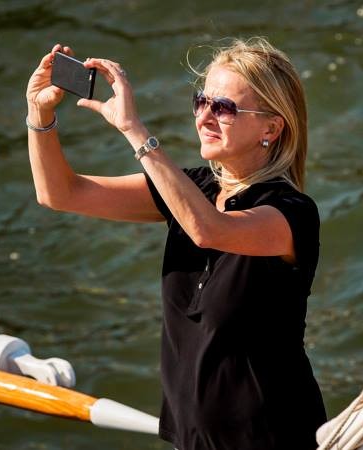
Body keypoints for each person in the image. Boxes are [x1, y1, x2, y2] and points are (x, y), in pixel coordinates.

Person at [25, 38, 326, 449]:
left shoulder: (291, 212)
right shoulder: (191, 189)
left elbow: (209, 229)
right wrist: (39, 115)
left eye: (224, 108)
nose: (205, 117)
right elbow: (61, 193)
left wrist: (134, 130)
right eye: (201, 102)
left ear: (271, 128)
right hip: (192, 440)